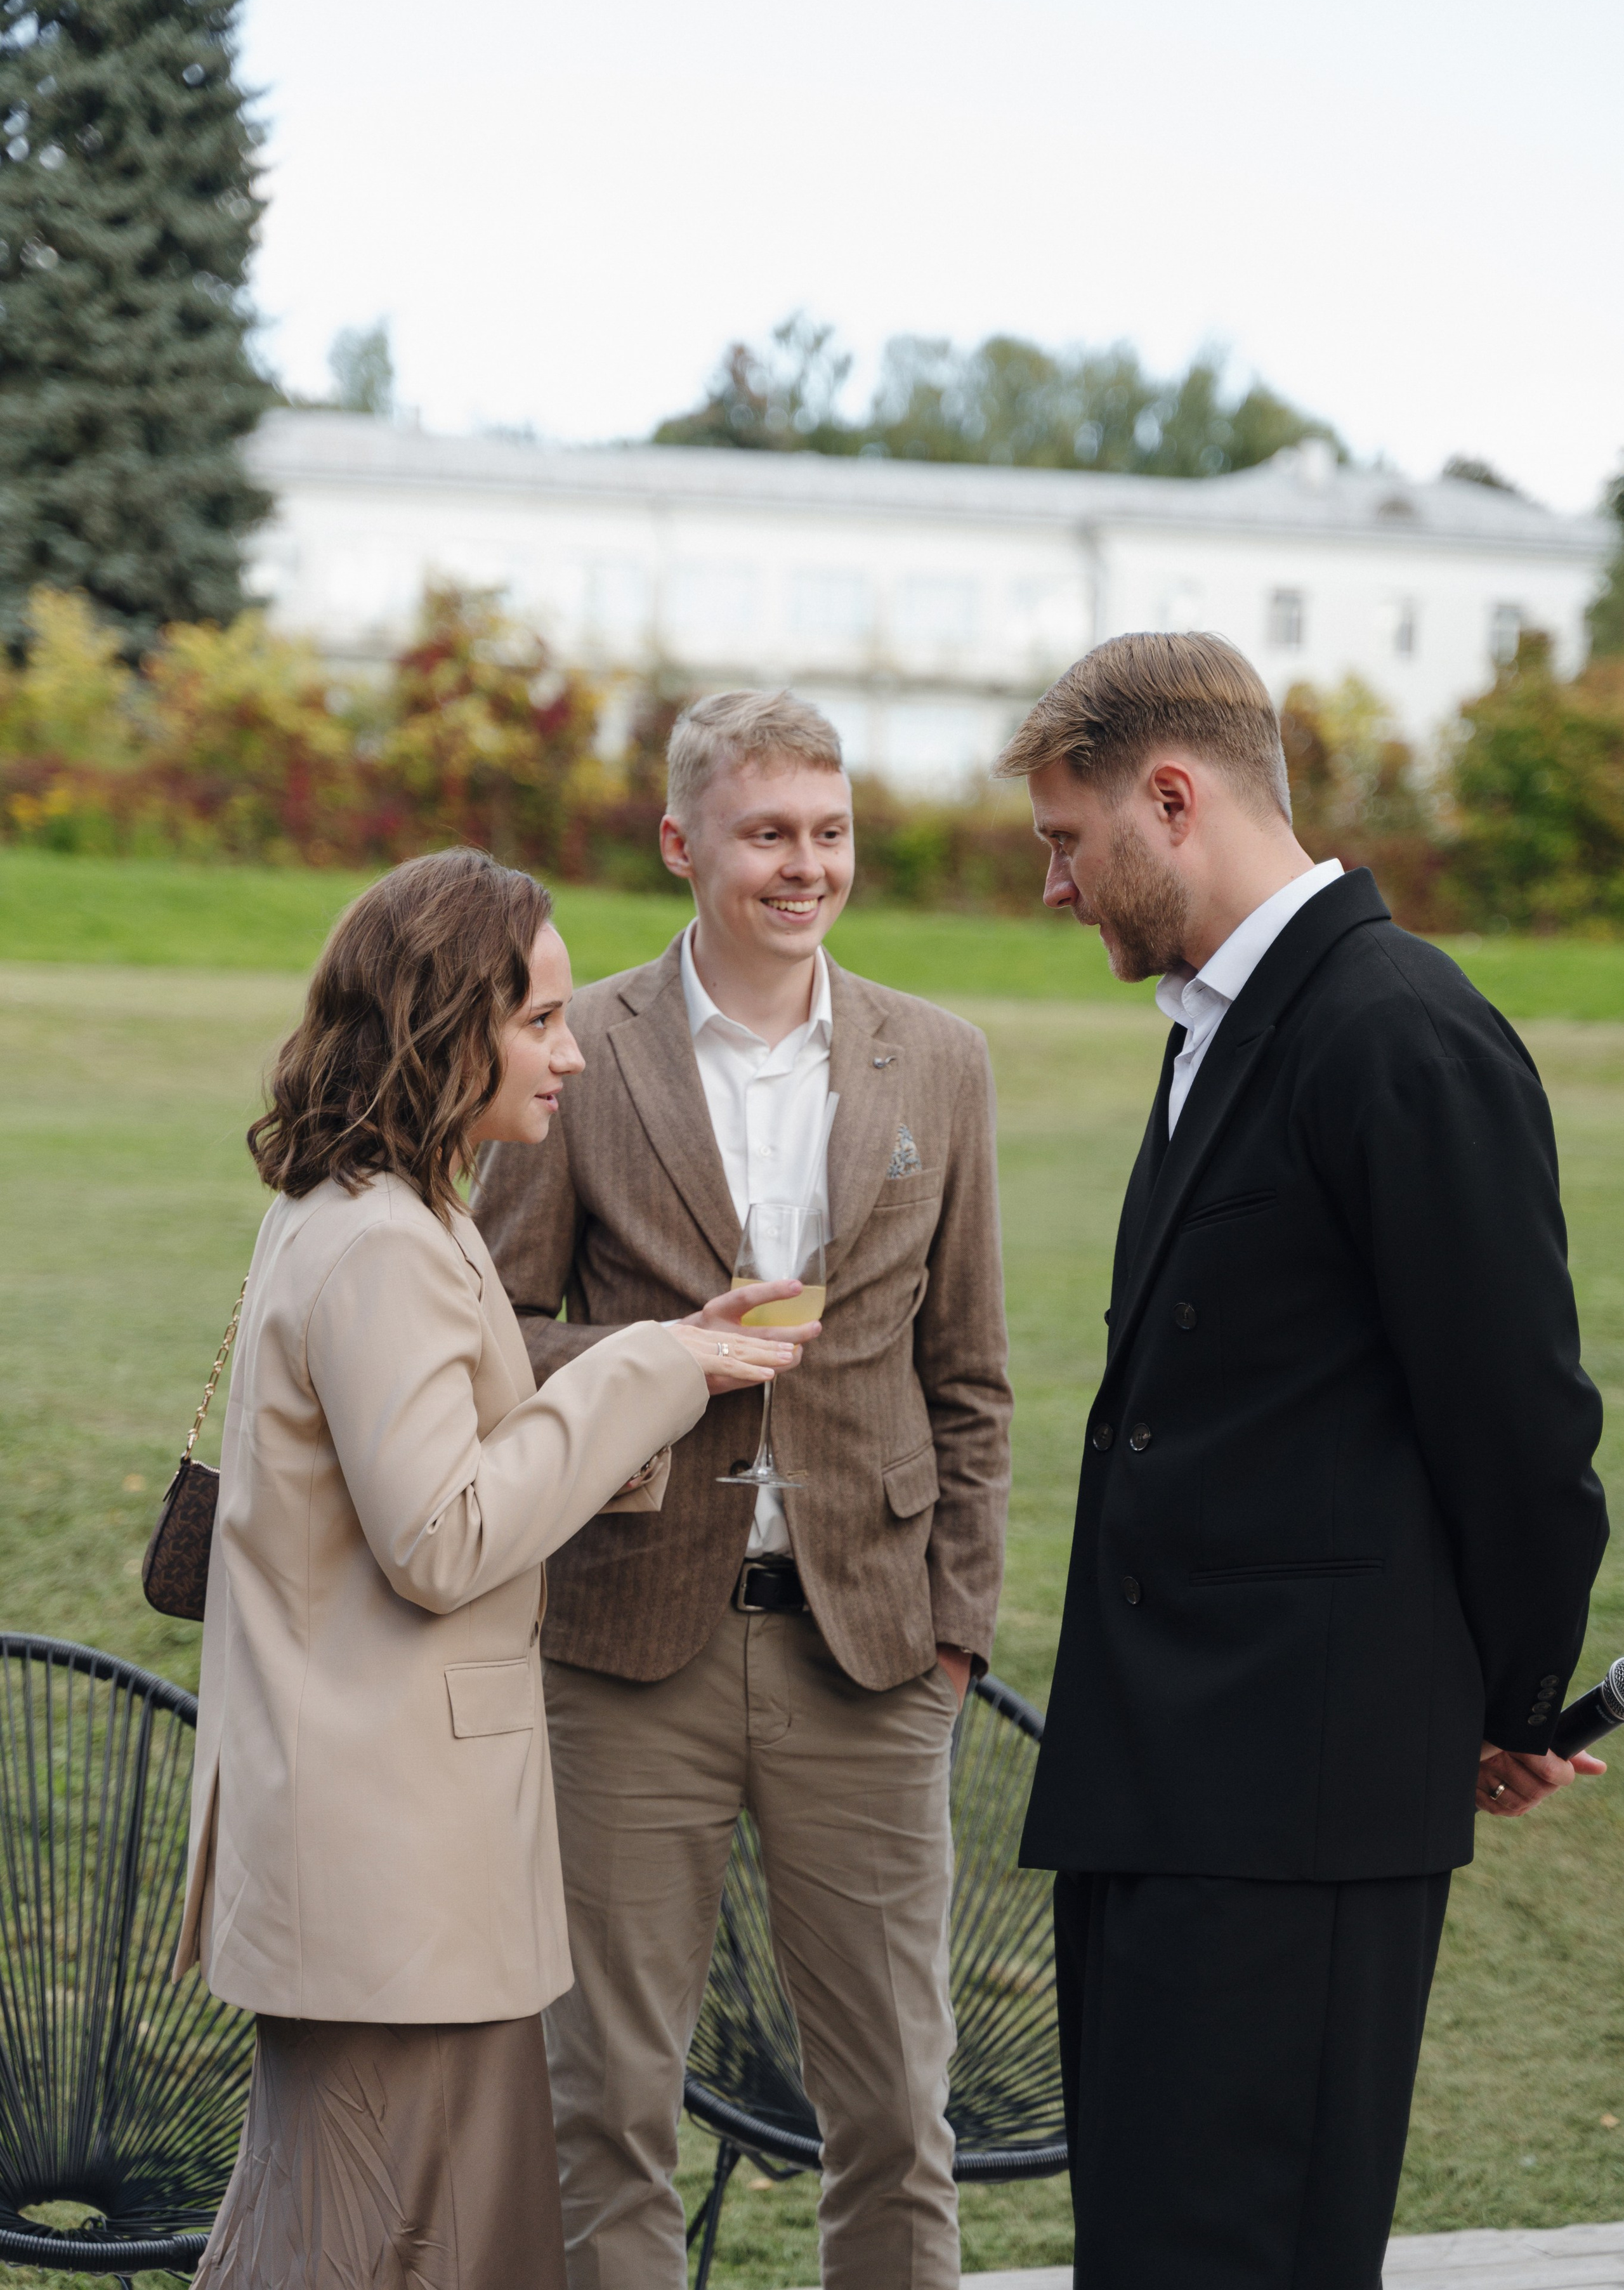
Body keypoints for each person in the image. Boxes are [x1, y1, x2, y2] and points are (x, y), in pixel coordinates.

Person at [996, 631, 1610, 2290]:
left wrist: (1516, 1703)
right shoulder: (1222, 1023)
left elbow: (1522, 1425)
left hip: (1296, 1805)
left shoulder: (1400, 1031)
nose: (1058, 888)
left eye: (1069, 838)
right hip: (1168, 1792)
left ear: (1173, 798)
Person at [176, 847, 817, 2290]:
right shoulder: (385, 1242)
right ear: (442, 1023)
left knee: (376, 2235)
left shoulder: (384, 1212)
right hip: (387, 1865)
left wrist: (665, 1363)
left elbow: (447, 1443)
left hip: (388, 1857)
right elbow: (443, 1535)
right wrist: (649, 1366)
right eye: (538, 1019)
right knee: (372, 2243)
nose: (573, 1051)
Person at [473, 690, 1012, 2290]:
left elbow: (970, 1375)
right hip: (628, 1645)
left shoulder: (942, 1062)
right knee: (607, 2100)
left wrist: (953, 1637)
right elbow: (492, 1329)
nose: (803, 867)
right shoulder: (583, 1049)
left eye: (827, 832)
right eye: (767, 832)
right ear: (681, 841)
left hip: (871, 1651)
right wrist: (663, 1351)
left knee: (898, 2112)